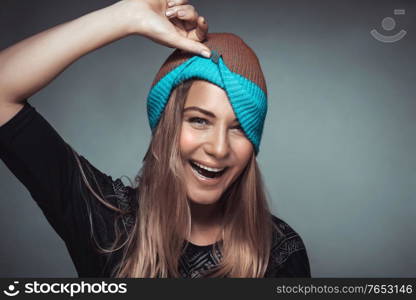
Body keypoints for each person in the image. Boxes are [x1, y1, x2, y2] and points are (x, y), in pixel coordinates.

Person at [0, 0, 311, 278]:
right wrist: (127, 16)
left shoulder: (280, 253)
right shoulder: (110, 224)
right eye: (199, 120)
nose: (218, 149)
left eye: (239, 127)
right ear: (167, 127)